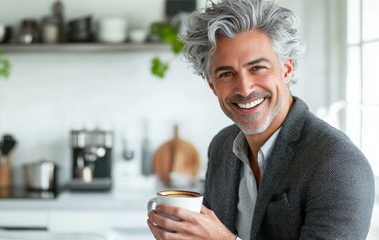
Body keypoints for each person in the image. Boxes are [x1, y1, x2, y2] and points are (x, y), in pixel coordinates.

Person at [147, 0, 375, 239]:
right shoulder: (222, 146)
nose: (244, 89)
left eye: (257, 68)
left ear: (286, 70)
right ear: (212, 85)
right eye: (227, 74)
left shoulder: (339, 165)